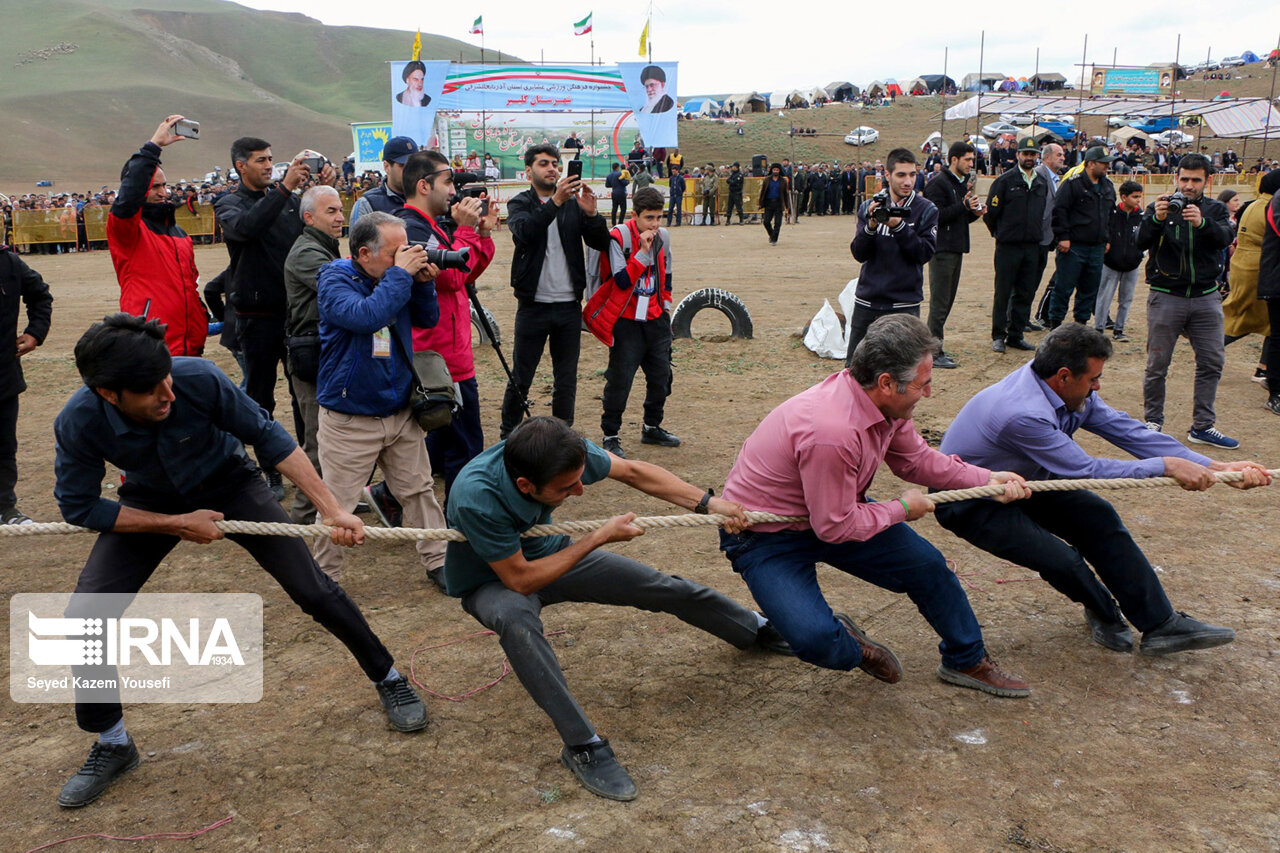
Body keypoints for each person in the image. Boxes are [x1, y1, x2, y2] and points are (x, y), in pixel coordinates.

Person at [52, 314, 428, 809]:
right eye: (149, 390)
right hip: (150, 503)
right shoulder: (78, 420)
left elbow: (271, 439)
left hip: (232, 483)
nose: (167, 394)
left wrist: (332, 507)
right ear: (109, 394)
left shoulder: (197, 379)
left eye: (167, 377)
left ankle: (389, 679)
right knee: (85, 619)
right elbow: (79, 506)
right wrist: (175, 523)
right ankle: (113, 742)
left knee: (312, 588)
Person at [441, 416, 792, 801]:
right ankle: (583, 745)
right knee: (517, 622)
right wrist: (597, 537)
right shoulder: (477, 495)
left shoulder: (557, 450)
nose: (579, 490)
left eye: (579, 478)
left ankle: (756, 628)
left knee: (657, 586)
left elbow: (634, 471)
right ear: (525, 485)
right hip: (494, 581)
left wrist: (709, 503)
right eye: (566, 487)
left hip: (549, 555)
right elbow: (520, 581)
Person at [720, 315, 1032, 697]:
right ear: (886, 382)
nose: (929, 393)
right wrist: (902, 508)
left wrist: (986, 480)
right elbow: (834, 528)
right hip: (765, 536)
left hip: (836, 512)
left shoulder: (885, 407)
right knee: (816, 640)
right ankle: (849, 642)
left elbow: (914, 460)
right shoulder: (832, 432)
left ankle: (966, 659)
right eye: (924, 383)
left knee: (929, 567)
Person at [936, 323, 1269, 654]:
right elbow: (1084, 469)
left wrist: (1217, 467)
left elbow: (1131, 433)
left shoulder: (1068, 390)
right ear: (1063, 376)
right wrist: (1166, 466)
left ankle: (1161, 625)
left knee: (1098, 517)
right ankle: (1105, 614)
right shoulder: (1022, 413)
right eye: (1093, 379)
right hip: (971, 500)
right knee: (1061, 559)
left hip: (1027, 481)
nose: (1097, 386)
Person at [311, 212, 448, 583]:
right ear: (364, 253)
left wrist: (420, 284)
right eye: (395, 251)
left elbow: (428, 319)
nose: (404, 255)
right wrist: (402, 276)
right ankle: (324, 579)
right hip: (350, 416)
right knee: (336, 504)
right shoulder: (334, 279)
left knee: (419, 491)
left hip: (399, 408)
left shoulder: (393, 277)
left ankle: (439, 563)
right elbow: (367, 317)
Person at [214, 136, 336, 500]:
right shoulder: (228, 204)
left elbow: (318, 237)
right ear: (240, 165)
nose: (269, 165)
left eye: (271, 159)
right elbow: (247, 229)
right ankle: (270, 472)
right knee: (260, 400)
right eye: (260, 160)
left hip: (296, 318)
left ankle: (311, 472)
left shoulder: (289, 203)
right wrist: (284, 189)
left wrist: (320, 191)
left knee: (307, 397)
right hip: (256, 319)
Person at [392, 150, 497, 496]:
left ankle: (390, 499)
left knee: (443, 442)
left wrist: (480, 235)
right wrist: (466, 231)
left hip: (449, 351)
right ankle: (463, 524)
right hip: (439, 357)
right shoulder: (409, 228)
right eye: (448, 181)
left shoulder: (433, 226)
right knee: (466, 448)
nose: (454, 190)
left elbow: (465, 275)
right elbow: (450, 280)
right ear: (424, 185)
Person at [500, 144, 612, 437]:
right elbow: (526, 233)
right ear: (528, 172)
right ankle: (507, 434)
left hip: (568, 307)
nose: (552, 169)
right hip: (533, 306)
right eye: (543, 164)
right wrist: (556, 202)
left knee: (566, 377)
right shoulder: (519, 203)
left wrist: (591, 215)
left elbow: (601, 243)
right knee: (522, 375)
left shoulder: (574, 204)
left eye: (555, 164)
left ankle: (563, 436)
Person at [1137, 153, 1239, 448]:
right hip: (1166, 295)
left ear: (1207, 181)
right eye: (1184, 179)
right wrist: (1156, 219)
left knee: (1212, 361)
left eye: (1196, 180)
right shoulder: (1160, 207)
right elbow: (1139, 243)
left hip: (1206, 297)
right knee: (1158, 363)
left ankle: (1203, 426)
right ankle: (1153, 422)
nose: (1189, 186)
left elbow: (1224, 237)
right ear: (1175, 178)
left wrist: (1202, 223)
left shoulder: (1216, 209)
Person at [583, 187, 679, 457]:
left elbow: (667, 273)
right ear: (634, 215)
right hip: (626, 322)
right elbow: (622, 280)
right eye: (649, 218)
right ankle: (610, 434)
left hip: (656, 319)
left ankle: (652, 427)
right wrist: (642, 253)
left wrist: (666, 305)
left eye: (660, 217)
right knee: (620, 380)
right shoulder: (619, 237)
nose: (655, 224)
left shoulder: (664, 237)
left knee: (662, 377)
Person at [107, 115, 205, 357]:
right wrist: (153, 147)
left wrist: (201, 317)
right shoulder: (128, 230)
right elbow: (129, 198)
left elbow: (190, 285)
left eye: (165, 186)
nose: (164, 193)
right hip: (150, 345)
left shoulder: (179, 233)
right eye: (155, 187)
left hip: (189, 344)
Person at [282, 186, 344, 525]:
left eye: (339, 210)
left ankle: (335, 504)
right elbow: (341, 287)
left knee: (335, 440)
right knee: (318, 445)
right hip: (313, 357)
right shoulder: (307, 252)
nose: (340, 217)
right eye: (331, 211)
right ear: (309, 218)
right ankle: (301, 523)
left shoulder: (323, 247)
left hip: (326, 354)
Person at [843, 149, 939, 364]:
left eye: (912, 175)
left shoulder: (926, 210)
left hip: (903, 304)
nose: (908, 181)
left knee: (901, 373)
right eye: (901, 175)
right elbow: (859, 253)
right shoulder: (869, 206)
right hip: (867, 302)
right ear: (888, 175)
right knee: (856, 370)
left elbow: (923, 254)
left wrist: (898, 226)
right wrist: (871, 225)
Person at [0, 245, 52, 525]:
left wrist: (35, 332)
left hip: (3, 376)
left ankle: (5, 508)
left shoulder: (8, 262)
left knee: (4, 446)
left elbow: (40, 296)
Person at [985, 138, 1051, 353]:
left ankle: (1016, 334)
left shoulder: (1041, 182)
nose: (1029, 158)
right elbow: (991, 214)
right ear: (1018, 155)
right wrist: (1001, 233)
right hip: (1008, 246)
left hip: (1032, 246)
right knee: (1003, 292)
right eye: (1025, 154)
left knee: (1025, 292)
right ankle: (998, 335)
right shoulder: (1005, 181)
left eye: (1033, 154)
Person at [922, 141, 982, 369]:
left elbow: (959, 216)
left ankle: (935, 347)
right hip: (942, 250)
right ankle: (933, 352)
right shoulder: (938, 184)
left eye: (972, 160)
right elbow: (935, 216)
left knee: (946, 302)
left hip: (956, 248)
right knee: (939, 303)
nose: (970, 164)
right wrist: (964, 207)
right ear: (953, 160)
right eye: (967, 159)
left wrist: (974, 212)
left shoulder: (959, 184)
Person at [1223, 171, 1280, 395]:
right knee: (1250, 319)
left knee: (1266, 323)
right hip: (1259, 267)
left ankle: (1263, 367)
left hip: (1242, 263)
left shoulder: (1252, 205)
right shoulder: (1271, 206)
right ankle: (1212, 346)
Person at [1047, 146, 1115, 328]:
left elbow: (1109, 215)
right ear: (1091, 164)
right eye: (1103, 163)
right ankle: (1055, 325)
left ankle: (1080, 326)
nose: (1107, 167)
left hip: (1097, 247)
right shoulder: (1072, 184)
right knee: (1063, 287)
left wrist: (1107, 238)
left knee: (1089, 289)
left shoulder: (1107, 186)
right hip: (1073, 246)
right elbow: (1059, 211)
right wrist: (1062, 237)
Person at [1094, 181, 1145, 342]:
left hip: (1132, 265)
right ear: (1124, 197)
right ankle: (1099, 328)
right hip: (1111, 263)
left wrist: (1139, 255)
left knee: (1126, 299)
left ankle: (1119, 329)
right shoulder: (1112, 214)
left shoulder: (1141, 216)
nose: (1138, 200)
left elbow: (1144, 238)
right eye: (1134, 197)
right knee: (1104, 296)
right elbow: (1104, 232)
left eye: (1139, 196)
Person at [349, 137, 419, 225]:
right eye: (403, 166)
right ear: (387, 167)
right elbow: (358, 238)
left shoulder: (427, 199)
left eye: (414, 165)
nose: (410, 171)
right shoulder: (368, 204)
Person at [757, 162, 791, 245]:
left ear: (779, 171)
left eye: (777, 170)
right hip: (769, 203)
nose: (775, 171)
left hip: (779, 203)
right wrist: (760, 203)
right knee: (766, 222)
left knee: (778, 223)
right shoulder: (767, 180)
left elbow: (785, 194)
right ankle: (772, 234)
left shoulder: (783, 181)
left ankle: (774, 239)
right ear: (772, 170)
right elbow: (763, 192)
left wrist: (787, 207)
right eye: (774, 169)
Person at [604, 162, 629, 226]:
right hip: (621, 193)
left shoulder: (609, 175)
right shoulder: (620, 174)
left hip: (614, 193)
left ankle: (613, 223)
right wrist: (628, 180)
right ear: (618, 167)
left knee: (614, 208)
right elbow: (625, 183)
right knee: (623, 208)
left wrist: (614, 185)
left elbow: (607, 185)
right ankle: (620, 222)